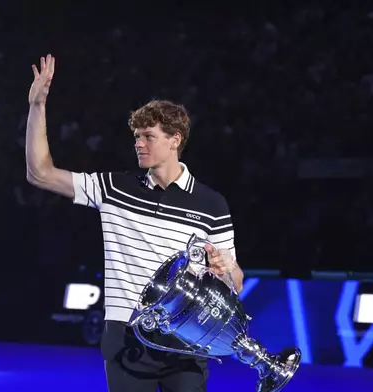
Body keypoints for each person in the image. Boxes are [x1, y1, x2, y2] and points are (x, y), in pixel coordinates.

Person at [26, 54, 243, 391]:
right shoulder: (114, 188)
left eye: (148, 137)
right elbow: (40, 173)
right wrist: (37, 106)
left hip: (184, 344)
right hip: (127, 343)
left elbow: (236, 281)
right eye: (136, 137)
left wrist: (224, 269)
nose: (138, 143)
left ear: (175, 140)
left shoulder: (212, 204)